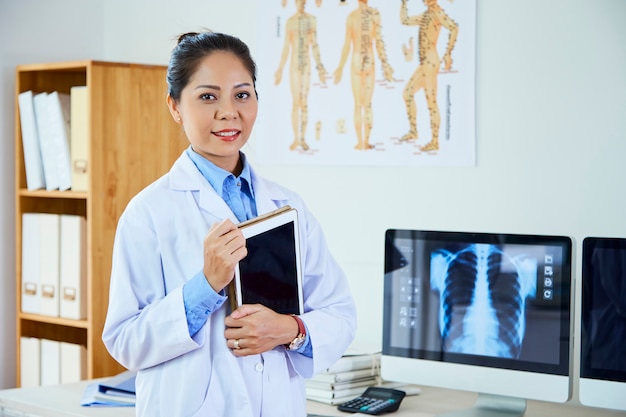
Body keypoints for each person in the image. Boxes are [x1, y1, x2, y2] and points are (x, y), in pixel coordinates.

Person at [102, 31, 356, 417]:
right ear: (174, 106)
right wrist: (205, 285)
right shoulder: (149, 213)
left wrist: (289, 329)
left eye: (242, 94)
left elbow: (339, 311)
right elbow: (125, 341)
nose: (228, 111)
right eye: (207, 96)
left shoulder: (288, 206)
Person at [334, 0, 394, 151]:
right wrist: (385, 64)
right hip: (369, 60)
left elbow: (347, 45)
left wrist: (340, 67)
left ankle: (360, 142)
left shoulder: (351, 16)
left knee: (357, 105)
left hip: (355, 60)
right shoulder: (375, 15)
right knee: (367, 105)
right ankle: (366, 142)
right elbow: (379, 42)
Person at [399, 0, 458, 151]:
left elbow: (454, 27)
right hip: (424, 63)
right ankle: (414, 131)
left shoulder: (438, 13)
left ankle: (435, 141)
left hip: (431, 62)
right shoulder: (426, 15)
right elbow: (405, 20)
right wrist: (404, 3)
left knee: (431, 102)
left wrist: (448, 53)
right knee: (407, 94)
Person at [275, 0, 327, 151]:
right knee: (296, 102)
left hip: (306, 66)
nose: (301, 4)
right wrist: (280, 69)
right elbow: (286, 47)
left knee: (304, 102)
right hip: (294, 66)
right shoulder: (290, 22)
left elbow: (315, 45)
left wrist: (320, 68)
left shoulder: (311, 20)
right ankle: (296, 139)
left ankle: (302, 139)